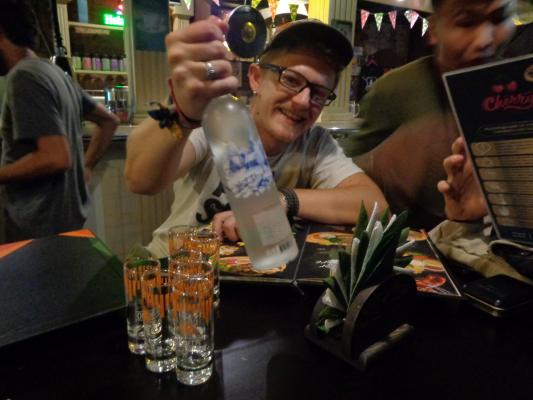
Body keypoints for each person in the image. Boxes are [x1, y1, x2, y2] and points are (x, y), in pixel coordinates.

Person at [125, 17, 387, 258]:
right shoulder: (218, 121)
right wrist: (181, 114)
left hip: (249, 280)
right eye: (291, 80)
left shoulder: (315, 143)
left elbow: (376, 205)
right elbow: (140, 179)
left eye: (318, 93)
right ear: (256, 78)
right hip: (172, 270)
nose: (302, 101)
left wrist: (282, 200)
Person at [346, 0, 516, 229]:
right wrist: (383, 164)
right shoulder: (396, 89)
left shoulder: (518, 89)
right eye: (466, 22)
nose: (484, 40)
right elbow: (342, 183)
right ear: (434, 30)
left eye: (499, 18)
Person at [0, 0, 119, 242]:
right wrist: (86, 166)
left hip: (36, 227)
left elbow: (56, 157)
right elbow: (109, 121)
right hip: (64, 222)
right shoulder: (53, 72)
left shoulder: (23, 77)